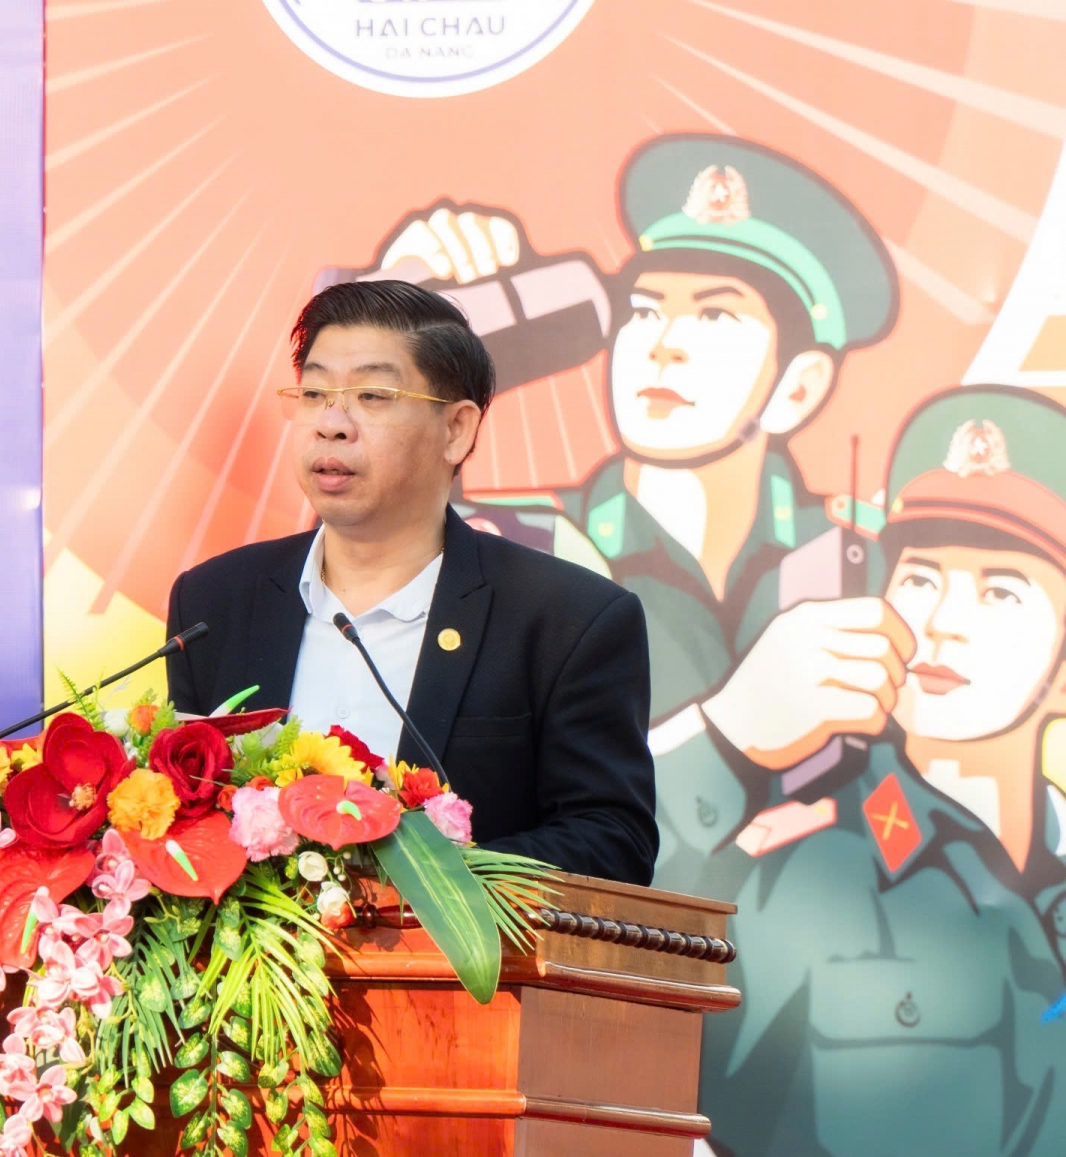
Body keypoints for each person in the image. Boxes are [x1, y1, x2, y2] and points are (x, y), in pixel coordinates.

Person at [328, 135, 901, 897]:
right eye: (644, 310)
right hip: (547, 963)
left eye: (716, 317)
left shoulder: (861, 565)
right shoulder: (510, 555)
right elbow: (334, 558)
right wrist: (391, 301)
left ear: (799, 385)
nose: (663, 347)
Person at [163, 280, 658, 885]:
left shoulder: (567, 620)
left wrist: (421, 885)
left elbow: (612, 840)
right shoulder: (213, 602)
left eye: (372, 395)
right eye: (314, 393)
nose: (331, 424)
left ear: (457, 430)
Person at [689, 387, 1066, 1157]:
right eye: (919, 577)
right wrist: (726, 733)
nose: (942, 622)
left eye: (1000, 589)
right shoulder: (794, 866)